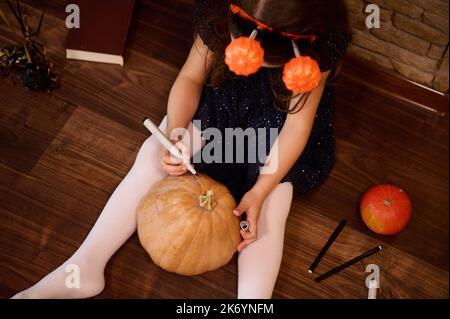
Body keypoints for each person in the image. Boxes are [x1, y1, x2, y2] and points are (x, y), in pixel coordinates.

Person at [13, 0, 351, 299]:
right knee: (152, 153)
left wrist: (261, 191)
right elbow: (190, 78)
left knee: (272, 205)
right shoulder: (218, 11)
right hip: (224, 100)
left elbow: (296, 128)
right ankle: (84, 267)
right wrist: (174, 134)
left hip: (277, 122)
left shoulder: (318, 43)